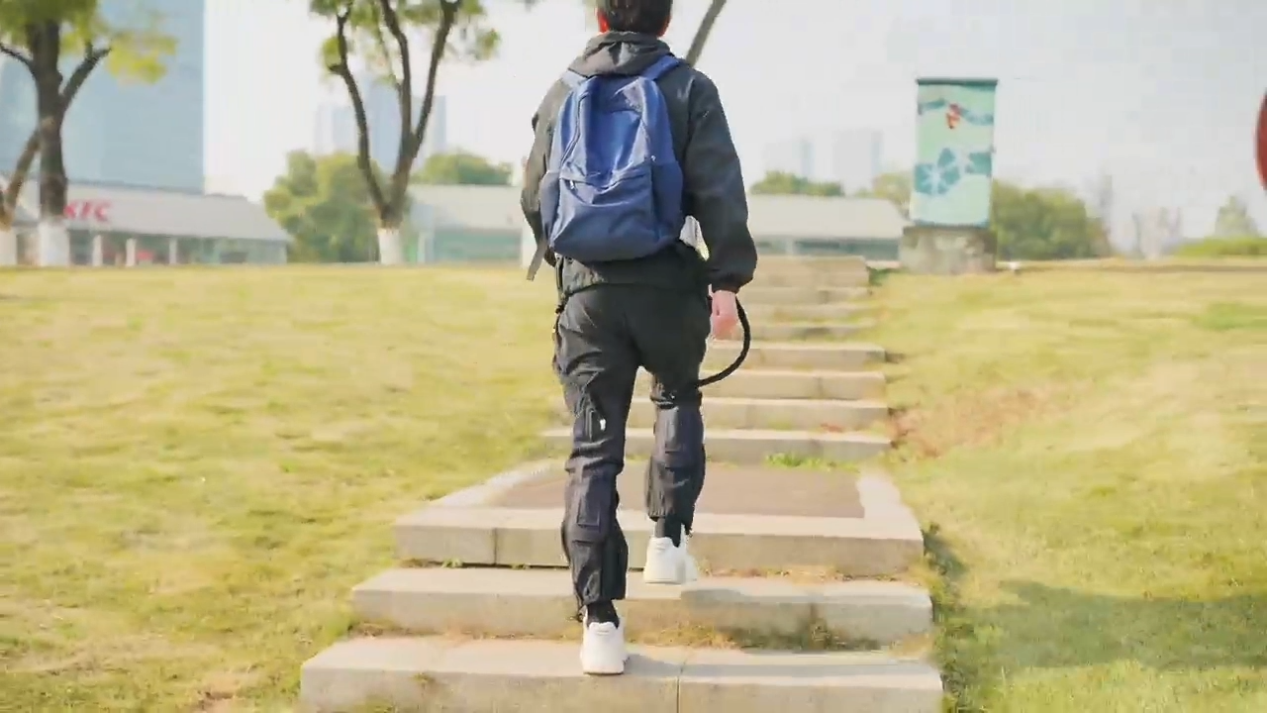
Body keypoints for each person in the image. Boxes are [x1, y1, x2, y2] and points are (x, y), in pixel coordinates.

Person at [520, 0, 758, 676]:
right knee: (677, 393)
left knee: (593, 449)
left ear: (600, 20)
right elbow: (719, 189)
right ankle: (668, 541)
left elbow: (534, 193)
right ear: (666, 21)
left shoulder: (563, 88)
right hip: (668, 285)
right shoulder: (689, 88)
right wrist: (726, 279)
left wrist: (569, 260)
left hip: (588, 292)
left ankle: (599, 620)